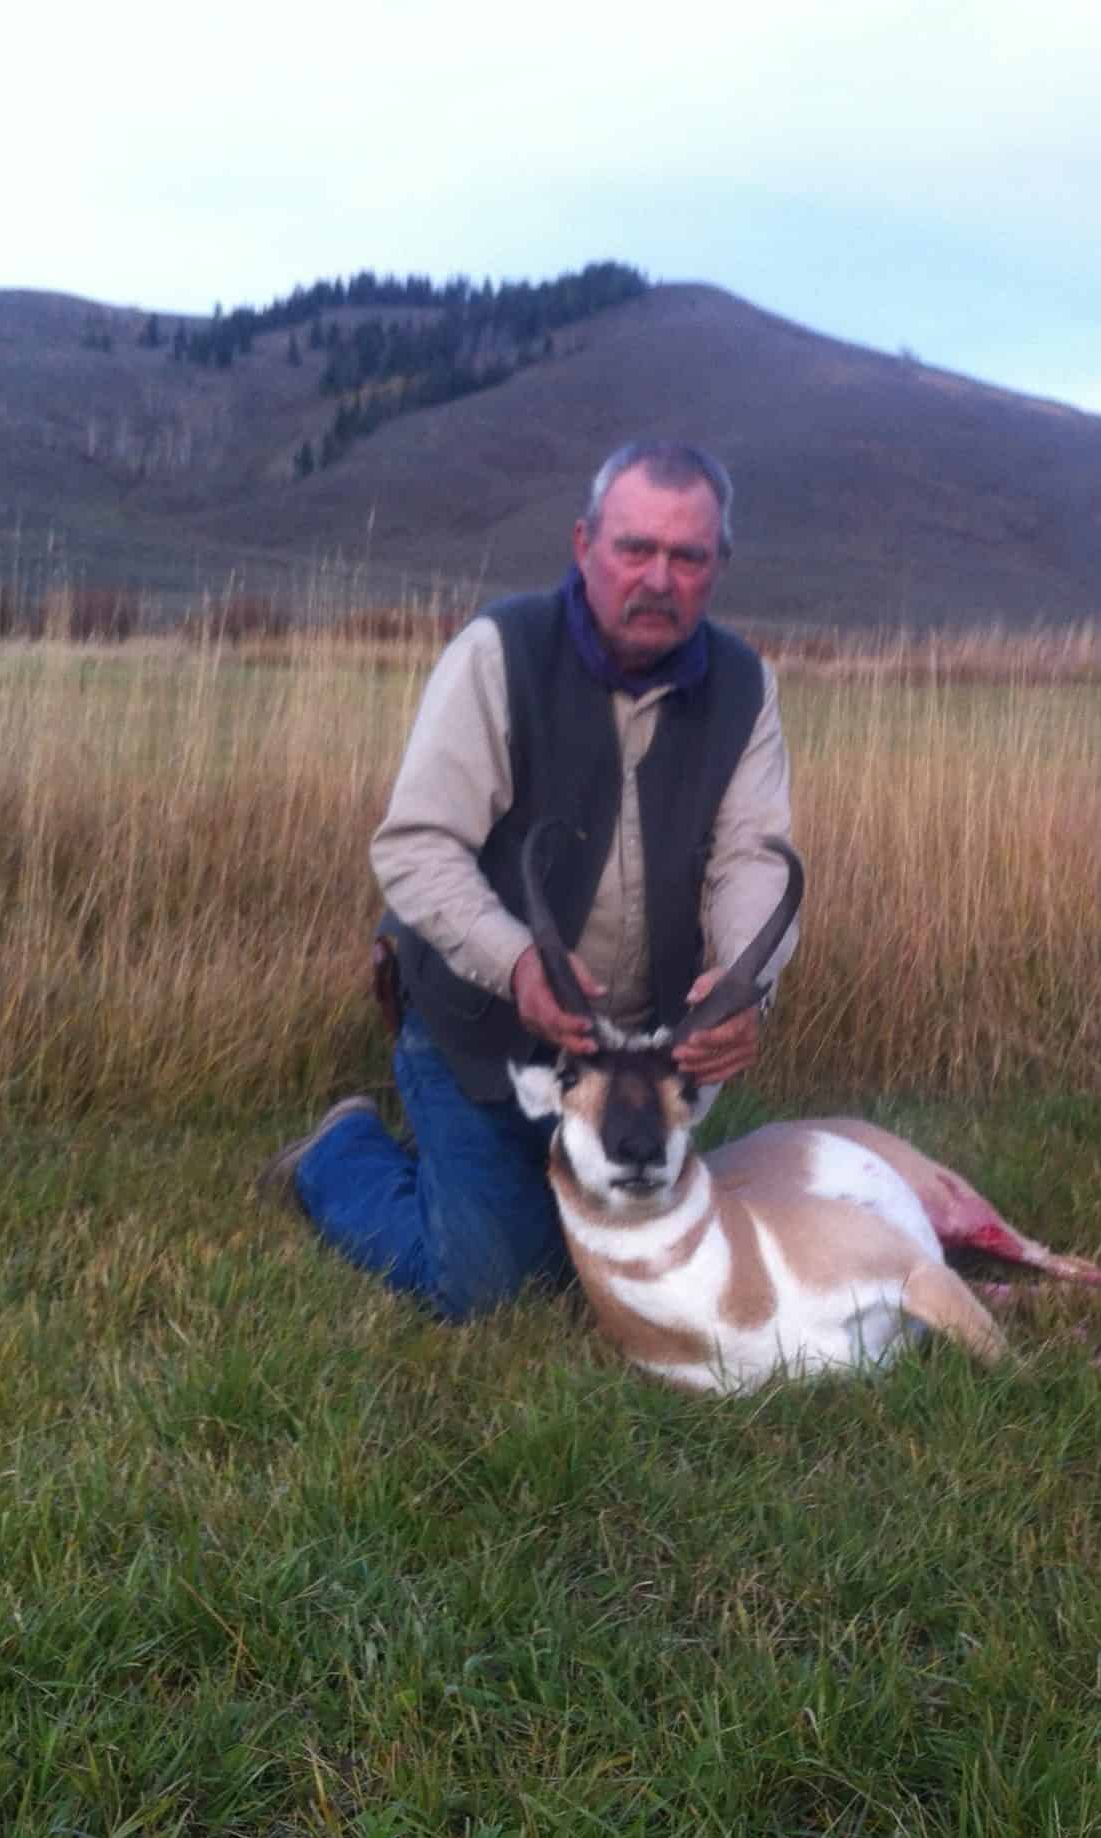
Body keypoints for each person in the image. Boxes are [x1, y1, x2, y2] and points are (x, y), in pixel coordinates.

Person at [271, 440, 798, 1319]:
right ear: (584, 543)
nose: (658, 579)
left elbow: (754, 857)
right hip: (479, 1029)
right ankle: (341, 1154)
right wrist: (516, 961)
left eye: (687, 557)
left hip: (634, 1053)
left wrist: (748, 988)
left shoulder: (744, 688)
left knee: (650, 1264)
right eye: (635, 549)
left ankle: (517, 1176)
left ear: (720, 567)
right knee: (493, 1288)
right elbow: (416, 847)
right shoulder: (498, 654)